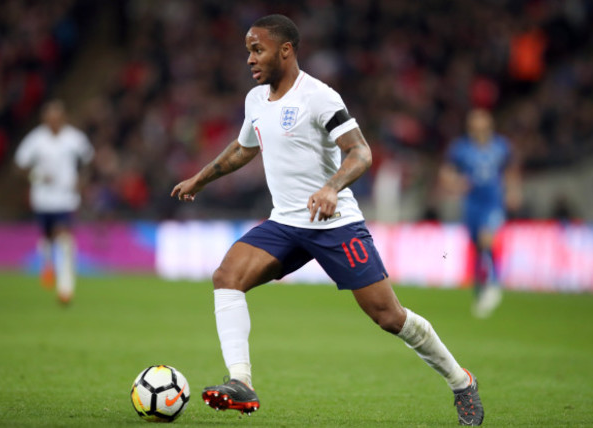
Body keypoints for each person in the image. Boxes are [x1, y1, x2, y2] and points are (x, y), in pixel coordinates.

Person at [172, 15, 484, 426]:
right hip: (285, 223)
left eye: (257, 49)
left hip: (335, 224)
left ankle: (461, 382)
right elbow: (243, 148)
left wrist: (332, 187)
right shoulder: (255, 100)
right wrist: (201, 177)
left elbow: (361, 152)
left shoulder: (319, 97)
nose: (250, 58)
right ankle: (241, 382)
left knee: (388, 317)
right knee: (226, 276)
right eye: (248, 49)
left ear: (286, 50)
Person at [439, 109, 522, 318]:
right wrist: (455, 184)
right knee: (477, 247)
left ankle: (494, 284)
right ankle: (479, 290)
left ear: (488, 125)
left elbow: (511, 169)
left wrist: (513, 191)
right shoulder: (461, 149)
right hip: (471, 204)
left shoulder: (500, 146)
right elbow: (447, 172)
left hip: (493, 203)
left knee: (487, 240)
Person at [14, 100, 94, 304]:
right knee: (47, 240)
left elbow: (89, 160)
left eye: (57, 118)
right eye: (50, 118)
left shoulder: (74, 138)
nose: (54, 122)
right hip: (42, 199)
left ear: (64, 118)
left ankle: (65, 287)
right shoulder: (36, 139)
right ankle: (48, 264)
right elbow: (20, 165)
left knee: (64, 238)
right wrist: (36, 177)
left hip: (65, 198)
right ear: (45, 119)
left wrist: (81, 180)